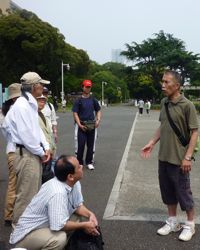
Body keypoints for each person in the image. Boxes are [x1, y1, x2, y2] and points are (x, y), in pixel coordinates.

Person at [141, 70, 198, 241]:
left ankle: (190, 225)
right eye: (162, 82)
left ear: (177, 86)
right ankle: (173, 222)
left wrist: (187, 157)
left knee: (184, 192)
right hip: (164, 156)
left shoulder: (187, 105)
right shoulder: (164, 102)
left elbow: (195, 132)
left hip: (180, 159)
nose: (163, 85)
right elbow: (163, 126)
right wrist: (151, 142)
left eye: (167, 82)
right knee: (167, 191)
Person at [9, 155, 99, 250]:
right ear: (70, 176)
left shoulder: (73, 183)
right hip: (28, 234)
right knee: (59, 239)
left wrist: (90, 214)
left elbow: (77, 206)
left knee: (78, 218)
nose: (81, 166)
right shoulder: (57, 193)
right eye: (78, 167)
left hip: (45, 227)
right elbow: (59, 225)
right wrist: (84, 226)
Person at [2, 72, 51, 225]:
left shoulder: (29, 103)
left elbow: (35, 129)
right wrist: (42, 152)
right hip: (26, 154)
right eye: (41, 84)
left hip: (29, 152)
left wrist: (46, 146)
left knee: (31, 193)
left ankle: (26, 228)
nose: (43, 87)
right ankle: (19, 232)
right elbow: (27, 136)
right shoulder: (22, 106)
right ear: (34, 86)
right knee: (25, 195)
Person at [1, 83, 21, 226]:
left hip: (10, 149)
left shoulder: (4, 111)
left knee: (12, 184)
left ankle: (9, 214)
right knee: (21, 184)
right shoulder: (19, 111)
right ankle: (14, 214)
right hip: (18, 151)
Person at [72, 80, 101, 170]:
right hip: (81, 125)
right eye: (86, 86)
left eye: (89, 87)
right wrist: (79, 124)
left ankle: (89, 162)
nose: (88, 88)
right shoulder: (78, 100)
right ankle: (79, 162)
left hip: (91, 125)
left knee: (91, 144)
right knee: (80, 144)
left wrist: (98, 120)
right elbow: (75, 113)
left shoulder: (93, 100)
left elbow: (98, 110)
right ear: (82, 87)